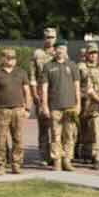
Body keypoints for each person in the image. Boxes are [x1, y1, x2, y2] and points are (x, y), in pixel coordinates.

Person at [0, 47, 30, 175]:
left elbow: (27, 91)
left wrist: (27, 108)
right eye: (9, 58)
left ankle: (16, 164)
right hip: (2, 110)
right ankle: (0, 164)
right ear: (3, 59)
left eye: (14, 58)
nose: (12, 60)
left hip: (18, 109)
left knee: (18, 138)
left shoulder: (21, 72)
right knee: (1, 139)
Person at [40, 42, 81, 172]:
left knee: (69, 135)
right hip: (55, 107)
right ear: (54, 50)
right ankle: (57, 161)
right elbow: (44, 89)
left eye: (62, 49)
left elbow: (77, 87)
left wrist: (78, 104)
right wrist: (45, 106)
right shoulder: (48, 66)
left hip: (70, 107)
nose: (60, 51)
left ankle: (67, 160)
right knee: (56, 135)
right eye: (58, 49)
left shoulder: (72, 65)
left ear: (66, 50)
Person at [30, 26, 58, 166]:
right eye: (48, 37)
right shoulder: (37, 54)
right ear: (44, 38)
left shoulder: (60, 53)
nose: (50, 40)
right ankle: (44, 155)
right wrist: (35, 94)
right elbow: (32, 76)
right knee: (43, 128)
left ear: (56, 38)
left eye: (52, 37)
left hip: (56, 95)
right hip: (41, 94)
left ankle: (55, 155)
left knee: (56, 126)